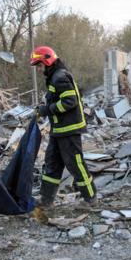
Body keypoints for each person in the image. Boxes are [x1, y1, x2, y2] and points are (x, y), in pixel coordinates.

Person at [31, 46, 96, 207]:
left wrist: (47, 110)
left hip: (69, 129)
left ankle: (91, 198)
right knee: (52, 163)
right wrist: (44, 106)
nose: (39, 70)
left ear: (47, 61)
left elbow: (70, 101)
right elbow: (57, 99)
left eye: (39, 66)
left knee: (75, 164)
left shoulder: (59, 77)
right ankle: (46, 200)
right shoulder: (54, 76)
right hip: (59, 130)